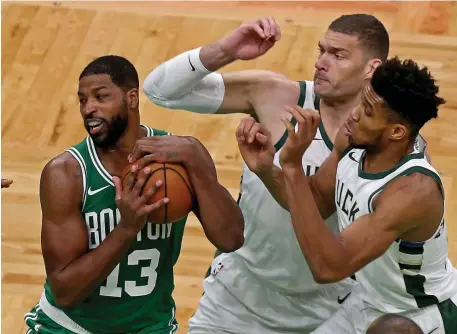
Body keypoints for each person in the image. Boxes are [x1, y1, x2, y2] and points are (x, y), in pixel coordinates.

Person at [133, 13, 391, 333]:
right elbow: (160, 90)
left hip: (329, 308)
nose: (322, 62)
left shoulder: (390, 140)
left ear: (372, 68)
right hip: (236, 296)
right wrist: (227, 49)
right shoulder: (275, 94)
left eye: (338, 55)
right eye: (321, 50)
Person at [24, 55, 244, 334]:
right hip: (71, 327)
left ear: (131, 98)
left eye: (101, 97)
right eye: (82, 100)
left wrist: (199, 167)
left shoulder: (178, 157)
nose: (89, 108)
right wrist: (127, 228)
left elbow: (232, 238)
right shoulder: (66, 174)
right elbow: (66, 291)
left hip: (148, 326)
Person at [237, 56, 457, 334]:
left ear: (397, 132)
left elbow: (328, 268)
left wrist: (292, 167)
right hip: (367, 301)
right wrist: (268, 169)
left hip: (420, 314)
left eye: (367, 111)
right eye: (360, 103)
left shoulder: (412, 190)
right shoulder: (353, 140)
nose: (354, 114)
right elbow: (315, 200)